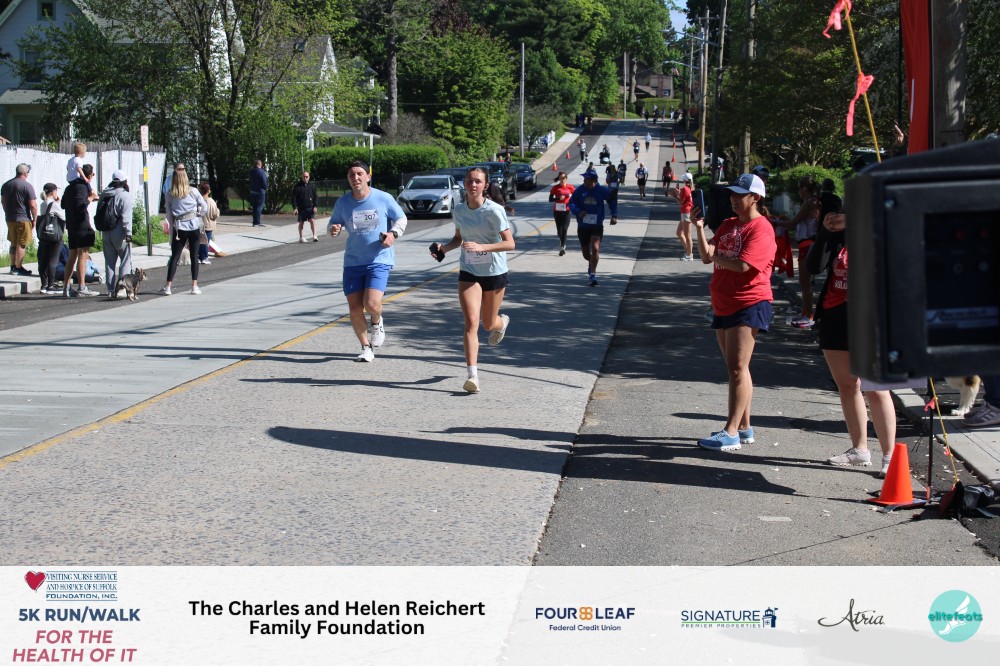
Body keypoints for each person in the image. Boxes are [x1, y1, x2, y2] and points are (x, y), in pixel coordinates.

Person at [807, 211, 895, 476]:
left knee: (877, 389)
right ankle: (859, 449)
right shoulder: (839, 235)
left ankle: (890, 456)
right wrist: (826, 232)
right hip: (834, 316)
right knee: (847, 386)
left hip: (870, 320)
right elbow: (814, 266)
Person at [693, 173, 776, 451]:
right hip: (724, 302)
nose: (733, 199)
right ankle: (744, 428)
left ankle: (730, 432)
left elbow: (743, 266)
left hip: (749, 302)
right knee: (736, 369)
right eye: (732, 194)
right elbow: (705, 257)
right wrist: (699, 228)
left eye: (740, 195)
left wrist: (714, 255)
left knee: (738, 368)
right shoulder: (729, 224)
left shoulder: (761, 228)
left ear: (756, 198)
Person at [428, 167, 514, 393]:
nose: (473, 185)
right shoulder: (459, 210)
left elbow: (510, 243)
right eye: (469, 181)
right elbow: (458, 238)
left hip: (494, 271)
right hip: (469, 270)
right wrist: (443, 249)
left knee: (488, 324)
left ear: (485, 185)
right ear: (464, 184)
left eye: (477, 181)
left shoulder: (494, 211)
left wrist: (482, 247)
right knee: (471, 322)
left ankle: (501, 323)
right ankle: (472, 375)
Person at [327, 160, 407, 362]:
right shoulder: (343, 203)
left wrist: (393, 234)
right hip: (353, 261)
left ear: (368, 177)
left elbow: (401, 218)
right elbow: (333, 223)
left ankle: (377, 321)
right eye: (351, 175)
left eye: (359, 174)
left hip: (378, 258)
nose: (355, 178)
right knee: (355, 308)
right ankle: (365, 347)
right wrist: (333, 229)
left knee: (371, 304)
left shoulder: (383, 198)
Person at [158, 163, 206, 296]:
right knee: (194, 256)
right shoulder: (193, 191)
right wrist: (198, 214)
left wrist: (170, 228)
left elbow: (169, 213)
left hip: (179, 227)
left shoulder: (170, 194)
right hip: (193, 225)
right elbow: (204, 207)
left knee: (175, 256)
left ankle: (168, 286)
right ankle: (194, 286)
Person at [569, 169, 619, 287]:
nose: (584, 180)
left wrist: (614, 215)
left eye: (586, 179)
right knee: (586, 254)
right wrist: (578, 211)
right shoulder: (580, 190)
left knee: (595, 248)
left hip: (597, 225)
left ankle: (592, 275)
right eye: (584, 178)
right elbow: (571, 203)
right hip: (583, 226)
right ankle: (591, 263)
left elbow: (612, 200)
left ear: (593, 180)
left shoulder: (601, 190)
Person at [785, 177, 821, 328]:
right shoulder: (811, 202)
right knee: (804, 282)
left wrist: (775, 222)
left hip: (808, 245)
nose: (798, 190)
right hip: (805, 244)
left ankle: (809, 315)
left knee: (806, 282)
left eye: (799, 187)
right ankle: (806, 312)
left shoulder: (810, 203)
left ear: (805, 188)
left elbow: (793, 222)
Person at [61, 164, 99, 297]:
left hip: (71, 226)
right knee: (83, 257)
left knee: (71, 257)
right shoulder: (82, 187)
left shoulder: (69, 187)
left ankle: (66, 288)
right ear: (89, 175)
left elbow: (63, 204)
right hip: (81, 226)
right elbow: (80, 206)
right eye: (92, 174)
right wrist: (90, 198)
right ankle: (82, 287)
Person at [99, 170, 135, 299]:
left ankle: (110, 289)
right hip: (119, 232)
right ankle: (122, 288)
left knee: (109, 262)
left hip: (106, 231)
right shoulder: (125, 195)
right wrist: (128, 233)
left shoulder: (104, 194)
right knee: (125, 260)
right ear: (124, 181)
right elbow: (126, 217)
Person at [1, 163, 37, 276]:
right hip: (23, 218)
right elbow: (33, 205)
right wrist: (34, 219)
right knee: (21, 243)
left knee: (13, 242)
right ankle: (18, 267)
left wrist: (7, 212)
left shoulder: (6, 185)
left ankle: (12, 266)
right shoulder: (27, 186)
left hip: (10, 218)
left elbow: (3, 201)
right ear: (25, 173)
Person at [35, 183, 65, 294]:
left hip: (44, 236)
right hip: (54, 236)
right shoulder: (54, 204)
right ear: (53, 192)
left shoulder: (43, 204)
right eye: (56, 191)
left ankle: (44, 284)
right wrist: (58, 203)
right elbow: (63, 218)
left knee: (43, 260)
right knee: (53, 260)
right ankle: (51, 286)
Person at [549, 171, 575, 256]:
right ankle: (562, 242)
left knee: (564, 228)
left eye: (563, 178)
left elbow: (576, 197)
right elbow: (550, 199)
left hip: (567, 211)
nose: (562, 179)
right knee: (559, 231)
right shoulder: (555, 188)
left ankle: (562, 247)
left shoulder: (571, 187)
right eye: (560, 178)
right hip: (557, 211)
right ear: (559, 179)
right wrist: (558, 198)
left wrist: (572, 201)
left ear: (566, 178)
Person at [671, 172, 694, 260]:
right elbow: (685, 197)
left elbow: (681, 202)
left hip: (686, 213)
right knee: (679, 233)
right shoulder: (690, 188)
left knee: (687, 235)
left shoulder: (685, 189)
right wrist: (678, 193)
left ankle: (690, 254)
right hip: (687, 213)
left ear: (684, 180)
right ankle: (688, 251)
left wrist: (675, 196)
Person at [292, 171, 319, 243]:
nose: (305, 178)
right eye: (304, 176)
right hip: (301, 208)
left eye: (306, 177)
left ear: (309, 177)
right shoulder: (297, 187)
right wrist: (295, 208)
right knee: (302, 222)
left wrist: (315, 206)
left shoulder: (312, 186)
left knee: (312, 221)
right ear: (302, 177)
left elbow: (315, 197)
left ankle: (314, 236)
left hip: (310, 207)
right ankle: (301, 237)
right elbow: (294, 198)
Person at [197, 183, 220, 264]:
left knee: (198, 241)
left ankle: (198, 256)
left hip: (199, 224)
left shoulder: (198, 200)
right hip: (209, 224)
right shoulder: (211, 201)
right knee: (206, 242)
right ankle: (204, 257)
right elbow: (215, 214)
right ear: (209, 191)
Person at [248, 159, 268, 227]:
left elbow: (249, 181)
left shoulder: (251, 172)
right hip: (260, 191)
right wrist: (265, 188)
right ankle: (257, 222)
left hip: (252, 191)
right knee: (259, 207)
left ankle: (255, 221)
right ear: (259, 164)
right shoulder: (261, 172)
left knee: (254, 207)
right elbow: (264, 182)